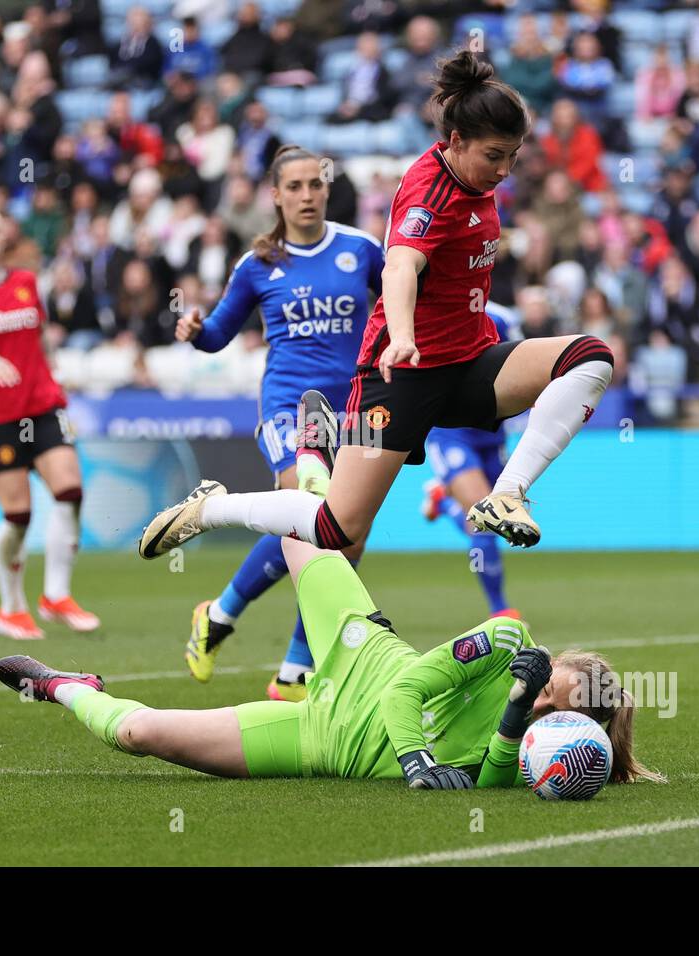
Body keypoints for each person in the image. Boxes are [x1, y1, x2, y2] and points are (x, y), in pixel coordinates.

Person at [139, 52, 614, 563]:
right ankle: (212, 508)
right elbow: (400, 266)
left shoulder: (476, 180)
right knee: (335, 528)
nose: (503, 170)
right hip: (401, 375)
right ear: (456, 141)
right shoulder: (429, 193)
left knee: (589, 356)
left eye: (512, 157)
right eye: (494, 156)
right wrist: (404, 335)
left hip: (468, 362)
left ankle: (507, 493)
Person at [0, 446, 660, 789]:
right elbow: (407, 691)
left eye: (556, 709)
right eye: (548, 689)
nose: (543, 703)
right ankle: (300, 467)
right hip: (362, 653)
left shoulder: (544, 751)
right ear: (556, 661)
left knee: (139, 734)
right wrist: (418, 761)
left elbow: (490, 776)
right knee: (308, 528)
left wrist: (516, 719)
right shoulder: (509, 639)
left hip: (324, 741)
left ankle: (66, 686)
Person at [174, 145, 384, 701]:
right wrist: (195, 330)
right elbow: (219, 334)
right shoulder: (258, 265)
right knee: (305, 507)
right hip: (290, 404)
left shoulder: (361, 250)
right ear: (276, 195)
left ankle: (294, 671)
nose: (307, 195)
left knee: (346, 536)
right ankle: (220, 616)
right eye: (295, 186)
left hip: (358, 408)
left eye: (315, 184)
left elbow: (400, 305)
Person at [0, 207, 100, 640]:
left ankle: (56, 594)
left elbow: (41, 337)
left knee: (69, 489)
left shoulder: (26, 283)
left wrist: (56, 375)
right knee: (19, 515)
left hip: (43, 403)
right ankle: (12, 607)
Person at [419, 302, 521, 619]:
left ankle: (443, 499)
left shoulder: (503, 318)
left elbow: (520, 364)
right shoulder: (430, 309)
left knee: (502, 522)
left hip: (491, 432)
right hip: (450, 431)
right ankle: (500, 609)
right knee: (484, 521)